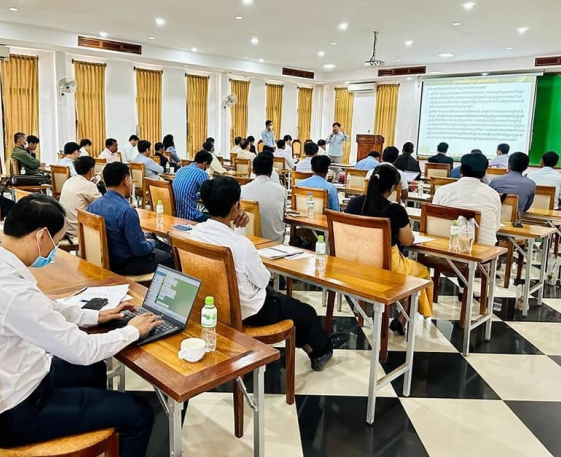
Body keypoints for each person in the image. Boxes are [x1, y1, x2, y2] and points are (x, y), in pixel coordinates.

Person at [0, 194, 158, 456]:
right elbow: (82, 350)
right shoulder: (12, 293)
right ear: (41, 236)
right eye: (56, 242)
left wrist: (94, 316)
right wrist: (133, 330)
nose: (54, 251)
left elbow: (44, 309)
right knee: (139, 413)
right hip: (14, 412)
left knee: (92, 370)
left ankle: (93, 431)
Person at [190, 176, 342, 371]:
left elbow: (230, 246)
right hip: (251, 311)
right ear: (236, 206)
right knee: (307, 312)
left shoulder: (195, 233)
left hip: (213, 305)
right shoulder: (241, 245)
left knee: (293, 311)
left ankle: (309, 347)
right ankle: (322, 351)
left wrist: (239, 229)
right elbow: (263, 280)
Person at [345, 164, 433, 334]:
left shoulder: (354, 203)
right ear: (392, 188)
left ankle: (401, 315)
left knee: (410, 272)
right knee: (421, 273)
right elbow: (407, 240)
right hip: (385, 268)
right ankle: (403, 317)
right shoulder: (396, 210)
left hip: (354, 262)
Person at [88, 163, 174, 275]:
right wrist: (151, 243)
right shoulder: (127, 211)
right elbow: (139, 250)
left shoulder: (94, 205)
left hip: (103, 260)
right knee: (170, 257)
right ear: (126, 180)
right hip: (125, 265)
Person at [432, 153, 501, 245]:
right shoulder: (493, 195)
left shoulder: (442, 191)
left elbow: (433, 221)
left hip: (445, 247)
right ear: (484, 173)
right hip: (484, 250)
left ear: (461, 170)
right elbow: (496, 227)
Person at [241, 152, 287, 242]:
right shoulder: (281, 190)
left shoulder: (242, 190)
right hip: (275, 241)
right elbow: (283, 215)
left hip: (250, 240)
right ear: (271, 172)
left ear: (253, 170)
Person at [59, 156, 102, 239]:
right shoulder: (88, 185)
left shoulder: (69, 181)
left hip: (65, 227)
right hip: (78, 229)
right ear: (92, 170)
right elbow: (102, 205)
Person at [172, 151, 212, 222]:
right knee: (217, 219)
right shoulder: (202, 174)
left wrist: (197, 195)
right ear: (205, 164)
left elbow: (187, 192)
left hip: (176, 214)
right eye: (207, 166)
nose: (207, 168)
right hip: (191, 216)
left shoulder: (180, 170)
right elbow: (209, 193)